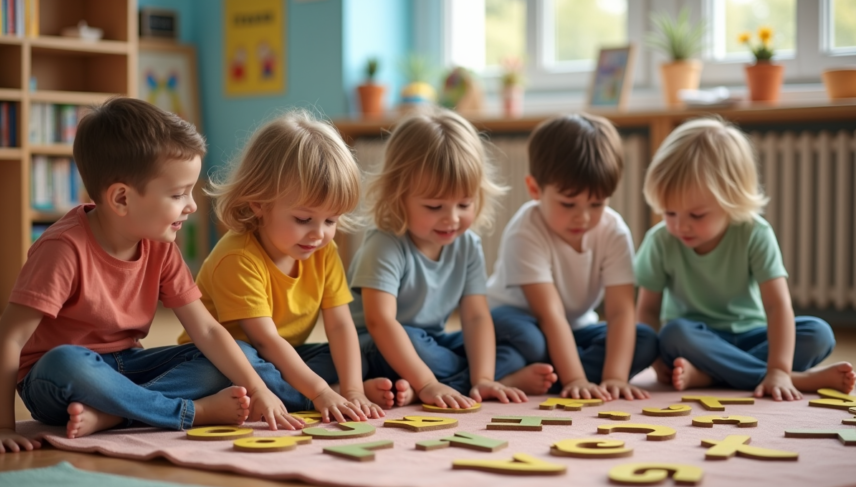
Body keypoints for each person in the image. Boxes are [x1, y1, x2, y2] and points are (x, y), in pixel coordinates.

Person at [0, 98, 299, 454]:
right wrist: (2, 425)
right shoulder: (63, 249)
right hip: (59, 381)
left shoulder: (159, 243)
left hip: (128, 367)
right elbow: (9, 339)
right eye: (178, 194)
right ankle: (189, 412)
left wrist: (259, 389)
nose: (192, 205)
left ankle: (114, 416)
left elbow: (206, 330)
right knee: (68, 361)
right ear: (122, 198)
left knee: (237, 356)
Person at [179, 111, 385, 421]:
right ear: (258, 202)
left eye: (331, 220)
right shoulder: (238, 257)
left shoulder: (322, 250)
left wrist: (353, 389)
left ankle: (315, 391)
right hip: (229, 359)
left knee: (364, 352)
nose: (319, 234)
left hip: (281, 359)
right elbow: (264, 340)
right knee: (234, 366)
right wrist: (320, 392)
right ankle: (309, 395)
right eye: (304, 219)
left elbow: (341, 326)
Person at [635, 117, 855, 399]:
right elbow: (648, 311)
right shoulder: (660, 240)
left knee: (818, 333)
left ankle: (711, 376)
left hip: (753, 334)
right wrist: (654, 361)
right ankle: (797, 380)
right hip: (696, 341)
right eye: (669, 213)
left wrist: (779, 366)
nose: (680, 226)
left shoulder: (754, 233)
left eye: (696, 215)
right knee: (672, 334)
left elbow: (777, 306)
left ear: (732, 200)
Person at [348, 108, 541, 409]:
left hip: (433, 343)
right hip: (377, 346)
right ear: (397, 196)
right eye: (434, 206)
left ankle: (477, 383)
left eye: (464, 203)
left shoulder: (467, 245)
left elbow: (476, 316)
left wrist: (485, 375)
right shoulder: (385, 244)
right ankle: (442, 383)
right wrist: (428, 383)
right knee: (414, 342)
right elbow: (380, 322)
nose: (451, 219)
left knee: (523, 342)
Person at [488, 113, 658, 401]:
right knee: (530, 341)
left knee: (646, 340)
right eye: (568, 203)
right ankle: (558, 374)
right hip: (515, 321)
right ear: (534, 190)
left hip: (576, 327)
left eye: (597, 203)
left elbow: (620, 312)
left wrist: (614, 377)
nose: (583, 216)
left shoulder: (613, 231)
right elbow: (550, 314)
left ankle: (540, 376)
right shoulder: (525, 231)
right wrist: (576, 378)